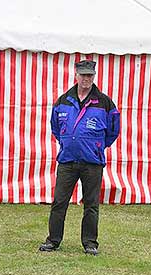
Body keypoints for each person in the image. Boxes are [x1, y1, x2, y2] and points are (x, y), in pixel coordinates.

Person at [39, 60, 120, 256]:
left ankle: (90, 243)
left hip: (92, 162)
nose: (86, 79)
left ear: (94, 76)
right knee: (59, 202)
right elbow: (55, 127)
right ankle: (53, 240)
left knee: (91, 204)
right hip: (67, 160)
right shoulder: (63, 100)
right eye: (83, 75)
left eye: (89, 75)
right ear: (76, 75)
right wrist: (67, 143)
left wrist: (98, 146)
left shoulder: (105, 102)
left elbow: (113, 130)